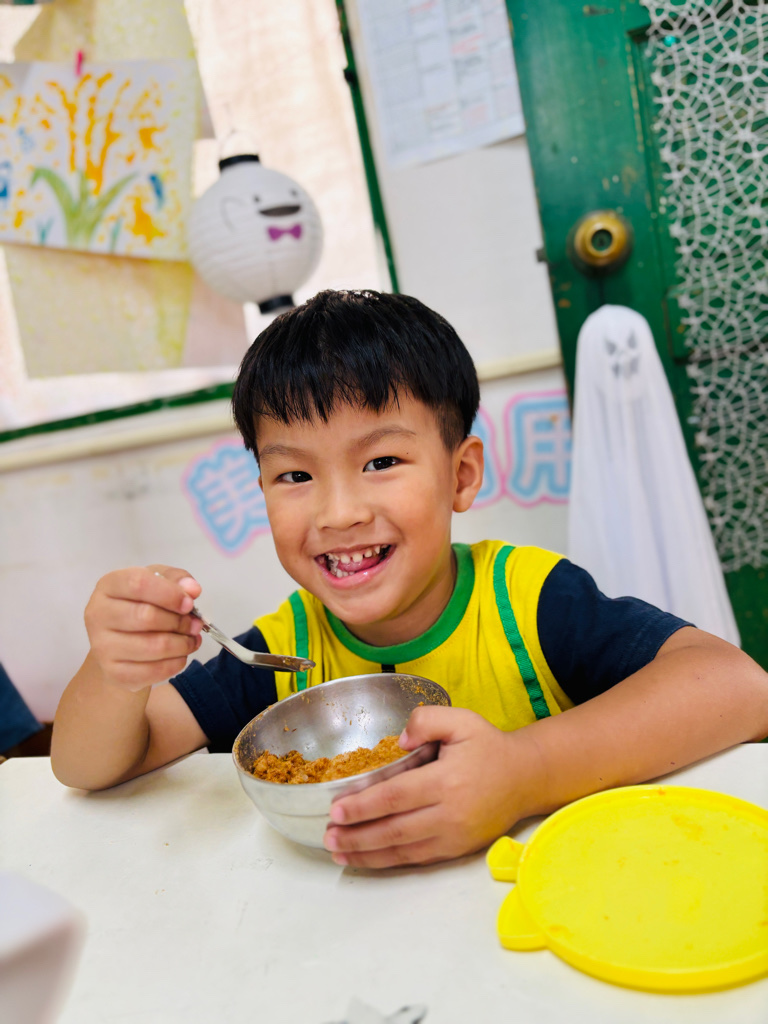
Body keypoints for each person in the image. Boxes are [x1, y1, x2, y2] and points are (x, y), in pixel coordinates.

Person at [51, 289, 768, 869]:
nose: (338, 512)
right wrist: (116, 672)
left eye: (381, 462)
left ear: (461, 474)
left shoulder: (527, 600)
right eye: (295, 475)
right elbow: (90, 766)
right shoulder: (284, 650)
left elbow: (737, 686)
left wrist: (525, 772)